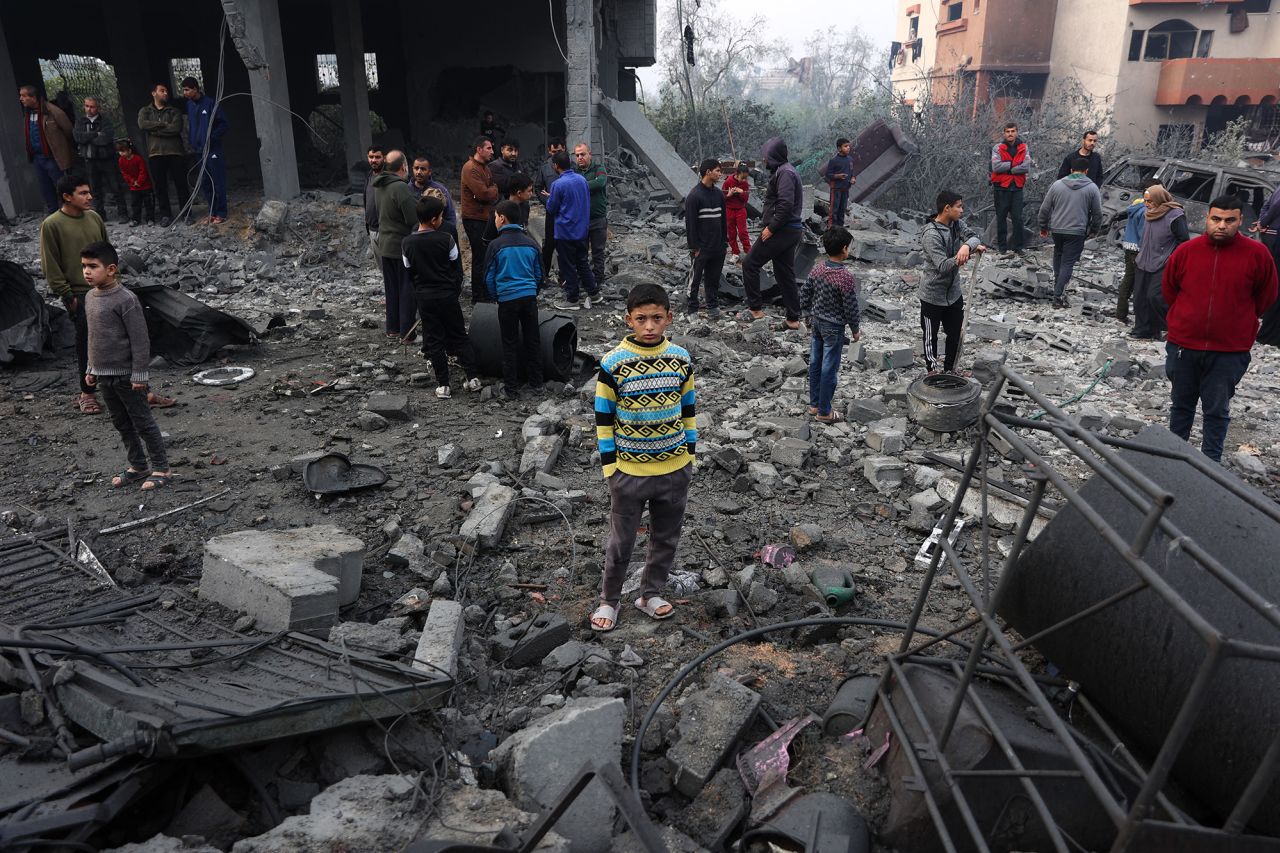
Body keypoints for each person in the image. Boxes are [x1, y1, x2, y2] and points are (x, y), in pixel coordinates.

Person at [590, 282, 695, 632]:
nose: (649, 326)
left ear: (669, 318)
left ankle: (650, 593)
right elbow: (604, 420)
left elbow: (688, 410)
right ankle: (610, 599)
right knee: (622, 540)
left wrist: (688, 455)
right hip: (629, 472)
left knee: (666, 536)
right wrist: (611, 469)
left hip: (675, 468)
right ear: (628, 321)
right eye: (641, 319)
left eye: (656, 318)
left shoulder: (681, 359)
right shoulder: (613, 364)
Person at [1162, 195, 1278, 462]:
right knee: (1181, 406)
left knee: (1216, 410)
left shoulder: (1257, 254)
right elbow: (1169, 290)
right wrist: (1188, 318)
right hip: (1184, 346)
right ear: (1207, 219)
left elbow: (1267, 295)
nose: (1222, 225)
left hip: (1229, 349)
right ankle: (1172, 459)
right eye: (1216, 219)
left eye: (1229, 220)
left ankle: (1210, 465)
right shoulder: (1186, 251)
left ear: (1240, 221)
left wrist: (1239, 319)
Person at [80, 241, 172, 491]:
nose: (87, 272)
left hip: (128, 376)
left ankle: (161, 468)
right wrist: (90, 368)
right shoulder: (89, 297)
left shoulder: (126, 300)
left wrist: (140, 374)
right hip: (103, 376)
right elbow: (93, 337)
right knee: (121, 421)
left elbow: (140, 340)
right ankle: (138, 465)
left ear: (111, 269)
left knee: (142, 421)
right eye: (84, 267)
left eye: (92, 266)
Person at [401, 195, 483, 400]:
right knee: (459, 335)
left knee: (434, 339)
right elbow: (456, 268)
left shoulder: (407, 243)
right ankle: (473, 379)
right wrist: (452, 289)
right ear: (435, 219)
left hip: (425, 297)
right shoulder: (446, 239)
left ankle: (444, 385)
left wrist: (420, 290)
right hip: (447, 295)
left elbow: (409, 272)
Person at [40, 174, 107, 414]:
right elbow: (51, 265)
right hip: (79, 292)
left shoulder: (94, 218)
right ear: (67, 196)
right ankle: (86, 393)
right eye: (83, 193)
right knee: (87, 344)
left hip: (106, 288)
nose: (89, 197)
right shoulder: (52, 224)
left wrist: (114, 282)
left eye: (89, 192)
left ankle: (138, 389)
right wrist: (68, 296)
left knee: (121, 339)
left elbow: (107, 252)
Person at [484, 199, 545, 400]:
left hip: (507, 300)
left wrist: (496, 296)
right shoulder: (531, 243)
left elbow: (489, 277)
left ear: (502, 218)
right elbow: (539, 274)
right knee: (532, 341)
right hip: (528, 298)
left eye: (495, 217)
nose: (494, 221)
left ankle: (511, 389)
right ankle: (537, 384)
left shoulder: (495, 245)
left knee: (508, 343)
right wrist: (532, 291)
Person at [743, 137, 804, 329]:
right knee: (784, 274)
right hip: (790, 230)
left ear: (774, 155)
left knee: (750, 263)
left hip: (782, 230)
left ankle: (755, 310)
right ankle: (793, 319)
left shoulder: (785, 173)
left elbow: (785, 204)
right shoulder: (785, 171)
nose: (764, 160)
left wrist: (771, 228)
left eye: (766, 157)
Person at [920, 191, 984, 375]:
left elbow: (974, 237)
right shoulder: (931, 234)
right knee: (930, 336)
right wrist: (964, 255)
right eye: (959, 206)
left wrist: (967, 246)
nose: (962, 210)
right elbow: (942, 266)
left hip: (953, 293)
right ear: (947, 208)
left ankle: (950, 369)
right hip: (932, 294)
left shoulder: (956, 224)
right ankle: (932, 371)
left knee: (955, 333)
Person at [801, 226, 861, 422]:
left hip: (817, 323)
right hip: (833, 327)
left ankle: (814, 404)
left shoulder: (817, 268)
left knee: (815, 363)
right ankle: (825, 412)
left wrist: (807, 314)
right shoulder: (845, 277)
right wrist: (855, 330)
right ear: (844, 248)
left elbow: (805, 292)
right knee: (829, 368)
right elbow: (850, 306)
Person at [1037, 157, 1102, 308]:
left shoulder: (1057, 185)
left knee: (1058, 257)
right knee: (1068, 263)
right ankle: (1058, 295)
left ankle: (1058, 289)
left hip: (1058, 229)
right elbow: (1098, 213)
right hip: (1077, 231)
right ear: (1086, 171)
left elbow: (1044, 209)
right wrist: (1094, 230)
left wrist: (1043, 227)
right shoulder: (1092, 188)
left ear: (1071, 170)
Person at [372, 150, 419, 341]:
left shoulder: (379, 185)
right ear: (403, 167)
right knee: (407, 289)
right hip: (401, 246)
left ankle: (393, 328)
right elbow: (412, 218)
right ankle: (407, 333)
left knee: (392, 290)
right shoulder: (400, 187)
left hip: (385, 245)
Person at [1132, 185, 1189, 340]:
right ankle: (1143, 330)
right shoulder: (1149, 213)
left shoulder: (1175, 215)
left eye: (1150, 201)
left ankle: (1166, 328)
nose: (1147, 204)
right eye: (1145, 200)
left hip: (1163, 262)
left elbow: (1183, 240)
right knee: (1139, 298)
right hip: (1144, 260)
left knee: (1155, 296)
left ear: (1159, 199)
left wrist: (1171, 258)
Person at [546, 150, 599, 309]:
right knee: (582, 262)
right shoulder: (582, 180)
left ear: (556, 166)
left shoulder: (557, 184)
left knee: (567, 265)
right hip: (581, 231)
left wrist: (550, 197)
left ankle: (572, 299)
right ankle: (594, 293)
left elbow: (551, 208)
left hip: (565, 232)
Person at [137, 83, 190, 227]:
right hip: (155, 153)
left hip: (175, 152)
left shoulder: (174, 111)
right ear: (154, 93)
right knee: (160, 187)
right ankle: (166, 214)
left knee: (181, 184)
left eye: (166, 91)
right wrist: (164, 125)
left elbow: (176, 128)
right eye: (162, 91)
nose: (165, 93)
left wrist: (154, 129)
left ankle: (186, 213)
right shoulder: (145, 111)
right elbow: (142, 124)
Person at [19, 84, 75, 213]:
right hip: (37, 157)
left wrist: (63, 151)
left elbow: (68, 131)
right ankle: (53, 214)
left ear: (33, 98)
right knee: (45, 188)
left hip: (52, 156)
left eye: (23, 96)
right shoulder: (28, 114)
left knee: (61, 186)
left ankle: (69, 212)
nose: (21, 99)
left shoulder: (52, 111)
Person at [73, 97, 128, 222]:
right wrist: (95, 134)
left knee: (116, 187)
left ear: (98, 108)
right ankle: (100, 215)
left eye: (92, 106)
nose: (89, 109)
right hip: (90, 159)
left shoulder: (105, 121)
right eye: (87, 106)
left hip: (107, 159)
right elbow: (78, 137)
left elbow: (105, 139)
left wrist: (88, 138)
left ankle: (123, 214)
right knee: (94, 189)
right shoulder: (80, 121)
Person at [181, 77, 228, 224]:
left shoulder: (210, 103)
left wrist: (211, 138)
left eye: (187, 89)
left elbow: (224, 124)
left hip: (213, 149)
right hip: (199, 151)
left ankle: (221, 212)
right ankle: (212, 212)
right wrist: (193, 142)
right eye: (183, 90)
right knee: (206, 182)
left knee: (217, 181)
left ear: (195, 89)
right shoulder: (189, 105)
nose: (185, 93)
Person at [684, 158, 727, 317]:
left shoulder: (718, 194)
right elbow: (691, 224)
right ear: (708, 172)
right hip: (701, 248)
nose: (720, 174)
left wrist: (724, 242)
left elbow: (723, 220)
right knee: (694, 279)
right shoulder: (694, 196)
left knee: (713, 278)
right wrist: (694, 247)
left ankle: (712, 307)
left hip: (718, 246)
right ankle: (692, 309)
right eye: (717, 170)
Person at [460, 136, 499, 303]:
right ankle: (478, 296)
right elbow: (483, 193)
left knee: (485, 256)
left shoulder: (485, 168)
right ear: (479, 149)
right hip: (474, 218)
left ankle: (485, 292)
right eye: (489, 148)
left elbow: (488, 192)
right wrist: (493, 190)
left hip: (484, 217)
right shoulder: (470, 168)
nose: (492, 151)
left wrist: (491, 191)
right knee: (480, 257)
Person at [991, 122, 1031, 255]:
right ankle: (1002, 248)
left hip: (1017, 187)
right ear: (1004, 133)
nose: (1010, 134)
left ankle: (1018, 247)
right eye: (1007, 131)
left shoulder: (1024, 147)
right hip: (1001, 188)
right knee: (1001, 218)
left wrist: (1007, 167)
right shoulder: (998, 148)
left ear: (1017, 132)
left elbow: (1026, 167)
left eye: (1013, 131)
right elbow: (996, 167)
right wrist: (1015, 166)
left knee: (1018, 219)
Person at [574, 143, 608, 282]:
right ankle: (584, 279)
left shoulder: (599, 169)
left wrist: (579, 186)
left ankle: (599, 279)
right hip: (580, 220)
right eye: (577, 155)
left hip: (598, 219)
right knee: (580, 252)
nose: (580, 157)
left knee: (598, 252)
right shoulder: (574, 172)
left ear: (590, 154)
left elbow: (600, 183)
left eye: (583, 154)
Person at [536, 138, 566, 282]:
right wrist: (548, 202)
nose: (556, 154)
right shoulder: (544, 168)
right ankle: (544, 275)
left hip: (566, 213)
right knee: (549, 244)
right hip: (552, 213)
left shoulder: (569, 165)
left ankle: (564, 276)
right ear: (549, 151)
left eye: (559, 151)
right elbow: (538, 188)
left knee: (564, 244)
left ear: (564, 149)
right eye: (554, 151)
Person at [1117, 192, 1148, 324]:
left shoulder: (1135, 206)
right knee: (1138, 282)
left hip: (1129, 246)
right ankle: (1132, 315)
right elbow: (1144, 233)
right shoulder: (1146, 211)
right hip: (1139, 249)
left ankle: (1121, 312)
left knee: (1128, 280)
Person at [407, 156, 456, 232]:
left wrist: (448, 233)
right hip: (414, 236)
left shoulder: (441, 190)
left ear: (429, 172)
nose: (419, 172)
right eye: (416, 168)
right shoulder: (406, 190)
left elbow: (450, 215)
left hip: (438, 235)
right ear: (412, 169)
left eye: (423, 169)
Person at [483, 172, 533, 243]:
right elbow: (488, 240)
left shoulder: (525, 206)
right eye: (529, 191)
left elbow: (524, 228)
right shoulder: (498, 210)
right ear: (519, 193)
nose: (531, 194)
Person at [116, 139, 155, 227]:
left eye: (123, 151)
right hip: (133, 186)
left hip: (145, 185)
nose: (121, 153)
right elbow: (124, 173)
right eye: (119, 151)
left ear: (129, 150)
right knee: (135, 204)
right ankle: (136, 219)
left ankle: (150, 219)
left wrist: (139, 181)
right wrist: (133, 182)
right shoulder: (121, 160)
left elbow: (143, 171)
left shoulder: (138, 159)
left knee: (148, 203)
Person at [819, 137, 857, 228]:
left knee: (842, 209)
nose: (848, 148)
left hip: (845, 189)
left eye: (848, 146)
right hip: (836, 189)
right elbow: (828, 174)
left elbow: (852, 172)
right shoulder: (834, 160)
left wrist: (853, 179)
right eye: (845, 146)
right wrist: (838, 176)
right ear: (839, 148)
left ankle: (840, 228)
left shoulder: (850, 160)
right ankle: (831, 228)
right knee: (834, 210)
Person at [722, 162, 751, 262]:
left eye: (745, 178)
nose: (744, 180)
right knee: (731, 233)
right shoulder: (728, 181)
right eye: (742, 177)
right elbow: (722, 198)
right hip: (729, 210)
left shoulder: (745, 184)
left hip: (740, 210)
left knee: (743, 232)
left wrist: (741, 192)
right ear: (737, 174)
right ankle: (735, 253)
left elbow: (746, 199)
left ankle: (748, 251)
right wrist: (729, 195)